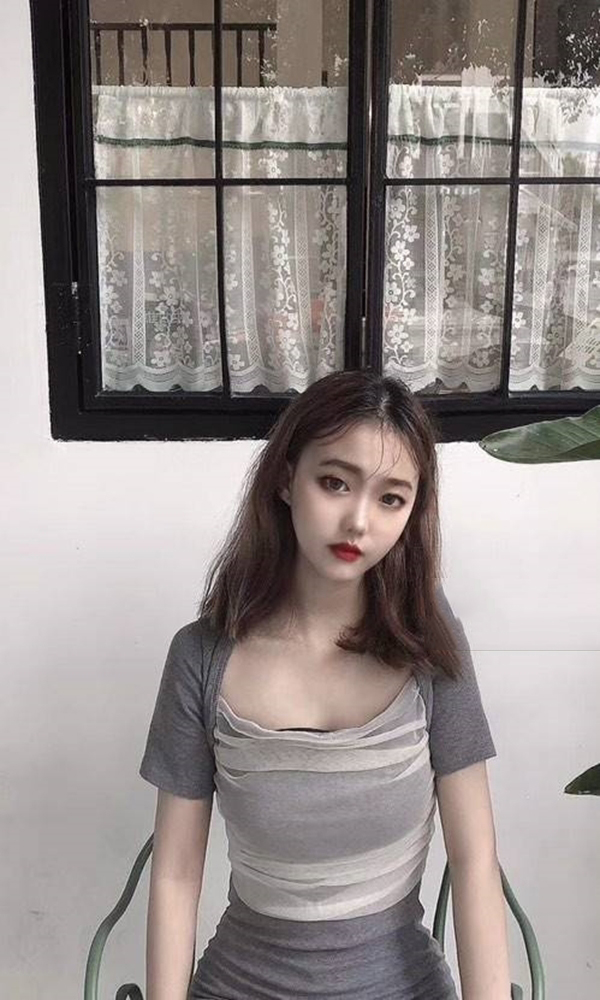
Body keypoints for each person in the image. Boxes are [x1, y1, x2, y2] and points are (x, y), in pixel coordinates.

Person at [139, 369, 512, 1000]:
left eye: (391, 498)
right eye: (335, 482)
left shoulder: (429, 644)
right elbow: (175, 875)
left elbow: (475, 860)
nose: (358, 521)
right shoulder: (200, 657)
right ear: (286, 478)